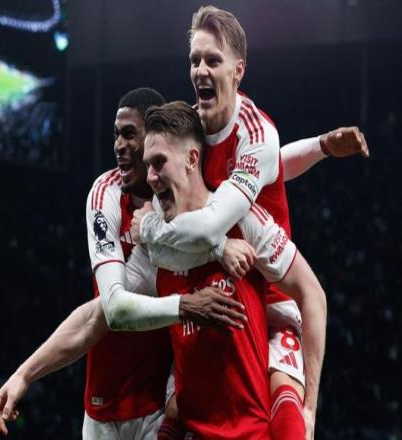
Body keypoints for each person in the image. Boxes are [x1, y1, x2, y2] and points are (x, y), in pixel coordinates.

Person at [133, 6, 367, 440]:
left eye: (213, 60)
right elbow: (272, 166)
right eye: (194, 60)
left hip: (271, 288)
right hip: (214, 283)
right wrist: (320, 146)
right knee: (179, 406)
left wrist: (153, 229)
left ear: (238, 70)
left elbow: (221, 214)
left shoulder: (255, 135)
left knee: (287, 415)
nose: (201, 70)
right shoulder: (190, 129)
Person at [0, 88, 249, 440]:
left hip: (161, 408)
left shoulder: (189, 205)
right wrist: (25, 373)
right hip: (101, 407)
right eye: (116, 135)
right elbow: (106, 311)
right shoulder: (106, 195)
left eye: (130, 134)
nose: (119, 145)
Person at [136, 100, 326, 439]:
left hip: (251, 428)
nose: (150, 177)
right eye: (147, 165)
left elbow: (312, 293)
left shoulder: (245, 221)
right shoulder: (150, 236)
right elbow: (109, 312)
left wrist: (308, 408)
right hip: (193, 424)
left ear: (192, 159)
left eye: (159, 162)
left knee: (287, 403)